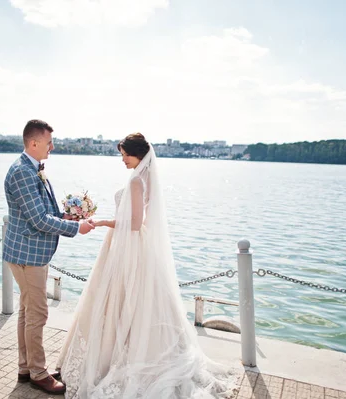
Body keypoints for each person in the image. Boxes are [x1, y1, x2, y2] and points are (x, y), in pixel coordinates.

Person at [56, 133, 236, 398]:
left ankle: (120, 358)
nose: (122, 160)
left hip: (130, 248)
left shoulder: (137, 180)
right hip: (133, 247)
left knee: (126, 300)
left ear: (137, 155)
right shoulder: (145, 178)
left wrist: (104, 222)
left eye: (124, 155)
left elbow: (135, 223)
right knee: (133, 302)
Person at [3, 119, 95, 395]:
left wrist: (66, 216)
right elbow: (38, 220)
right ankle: (38, 373)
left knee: (27, 312)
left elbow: (46, 211)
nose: (52, 146)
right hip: (27, 254)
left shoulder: (33, 169)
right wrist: (75, 227)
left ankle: (26, 367)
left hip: (27, 251)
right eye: (49, 142)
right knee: (38, 314)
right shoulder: (22, 172)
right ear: (34, 143)